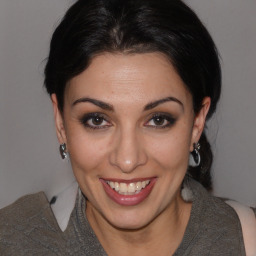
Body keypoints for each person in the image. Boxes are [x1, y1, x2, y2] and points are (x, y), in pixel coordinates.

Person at [0, 0, 255, 255]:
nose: (127, 160)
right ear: (60, 122)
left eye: (158, 119)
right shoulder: (12, 240)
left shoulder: (244, 238)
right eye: (97, 120)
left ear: (197, 123)